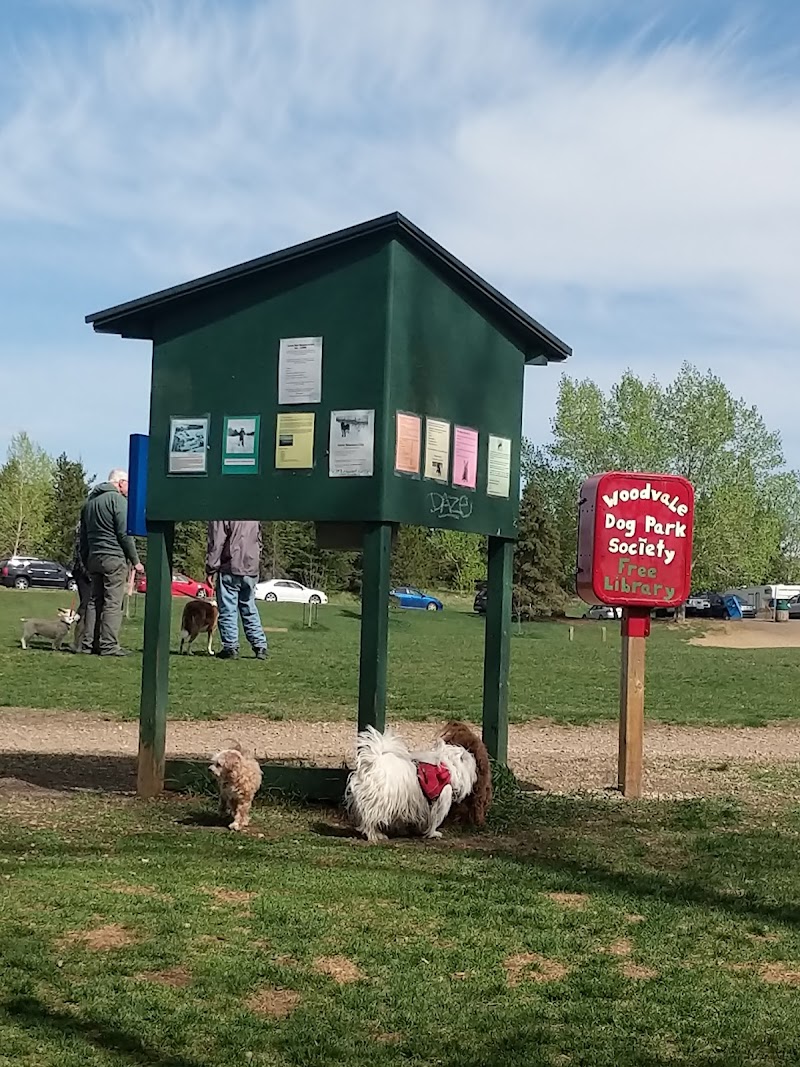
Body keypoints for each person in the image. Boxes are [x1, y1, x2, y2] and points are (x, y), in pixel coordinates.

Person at [79, 469, 144, 657]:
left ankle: (88, 643)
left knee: (93, 601)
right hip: (114, 558)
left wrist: (86, 559)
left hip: (94, 558)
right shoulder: (117, 501)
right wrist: (135, 561)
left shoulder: (89, 503)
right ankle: (108, 645)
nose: (129, 488)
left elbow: (83, 537)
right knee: (113, 603)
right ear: (120, 482)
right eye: (127, 483)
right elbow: (124, 534)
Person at [206, 520, 268, 660]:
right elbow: (259, 539)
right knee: (249, 606)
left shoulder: (223, 513)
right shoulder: (253, 513)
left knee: (228, 608)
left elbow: (217, 541)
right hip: (251, 566)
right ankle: (260, 646)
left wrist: (211, 568)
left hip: (231, 566)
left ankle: (230, 646)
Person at [70, 517, 93, 653]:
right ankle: (78, 642)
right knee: (86, 604)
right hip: (83, 572)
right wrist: (88, 574)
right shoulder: (83, 527)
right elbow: (80, 554)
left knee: (91, 604)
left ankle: (89, 641)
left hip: (91, 571)